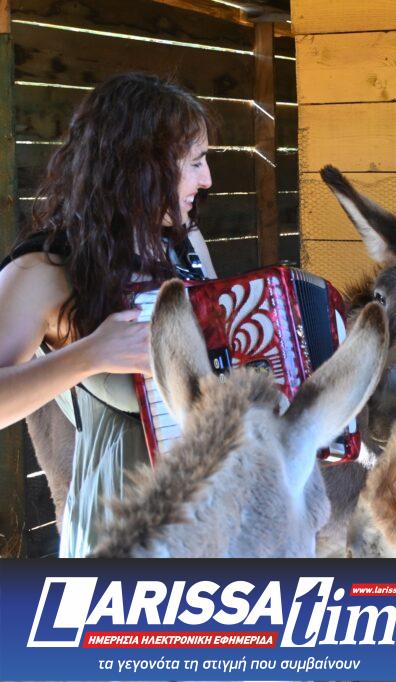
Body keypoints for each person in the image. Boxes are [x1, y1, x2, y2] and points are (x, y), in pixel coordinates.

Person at [0, 73, 218, 556]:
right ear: (139, 165)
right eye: (196, 162)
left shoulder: (186, 242)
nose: (207, 180)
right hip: (119, 524)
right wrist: (89, 355)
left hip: (211, 510)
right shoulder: (45, 268)